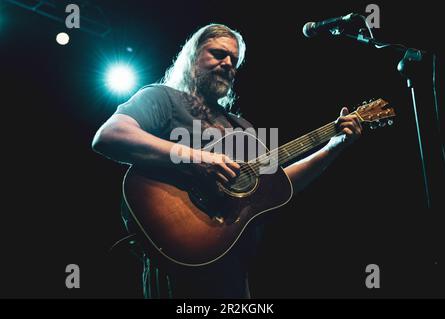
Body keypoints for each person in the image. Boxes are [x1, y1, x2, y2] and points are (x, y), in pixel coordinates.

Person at [92, 23, 362, 298]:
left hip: (232, 266)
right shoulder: (163, 98)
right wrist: (196, 158)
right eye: (218, 54)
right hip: (176, 265)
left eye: (234, 60)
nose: (228, 64)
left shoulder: (241, 127)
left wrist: (333, 146)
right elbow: (110, 135)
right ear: (193, 56)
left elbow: (280, 185)